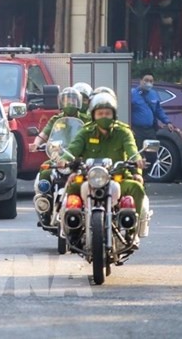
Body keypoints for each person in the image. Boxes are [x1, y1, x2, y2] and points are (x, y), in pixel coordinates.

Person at [58, 92, 151, 239]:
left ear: (113, 114)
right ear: (94, 115)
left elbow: (132, 149)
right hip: (90, 178)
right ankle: (73, 228)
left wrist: (138, 161)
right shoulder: (85, 132)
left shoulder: (123, 132)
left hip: (118, 177)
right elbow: (73, 148)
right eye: (100, 113)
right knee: (71, 188)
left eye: (107, 113)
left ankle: (132, 228)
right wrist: (63, 158)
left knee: (137, 187)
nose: (104, 117)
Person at [29, 87, 90, 153]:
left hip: (80, 154)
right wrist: (36, 143)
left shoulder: (86, 119)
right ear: (61, 102)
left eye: (73, 101)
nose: (69, 103)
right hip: (59, 154)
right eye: (66, 101)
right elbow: (44, 134)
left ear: (78, 102)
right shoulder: (55, 119)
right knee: (46, 164)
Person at [131, 71, 174, 152]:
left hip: (150, 130)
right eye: (146, 80)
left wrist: (167, 122)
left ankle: (151, 164)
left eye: (151, 81)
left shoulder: (153, 94)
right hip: (137, 130)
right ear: (141, 81)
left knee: (152, 154)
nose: (149, 83)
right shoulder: (133, 94)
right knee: (139, 155)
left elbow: (158, 110)